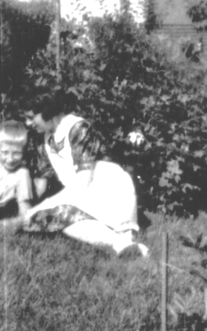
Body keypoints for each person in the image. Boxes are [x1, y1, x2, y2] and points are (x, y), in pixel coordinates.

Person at [23, 92, 148, 257]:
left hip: (108, 189)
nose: (28, 123)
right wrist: (25, 206)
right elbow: (43, 181)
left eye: (31, 117)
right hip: (82, 194)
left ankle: (121, 243)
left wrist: (45, 204)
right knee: (41, 218)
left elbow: (83, 181)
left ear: (47, 112)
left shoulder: (77, 128)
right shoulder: (45, 139)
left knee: (58, 213)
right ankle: (122, 244)